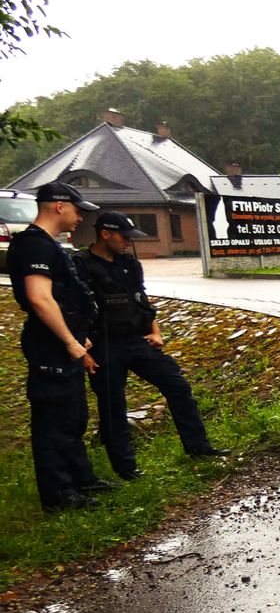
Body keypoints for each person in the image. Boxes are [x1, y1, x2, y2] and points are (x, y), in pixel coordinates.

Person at [73, 211, 229, 480]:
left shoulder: (130, 264)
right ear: (105, 234)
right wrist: (82, 350)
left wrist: (155, 331)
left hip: (136, 340)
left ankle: (198, 447)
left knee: (177, 385)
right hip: (102, 346)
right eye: (124, 237)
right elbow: (74, 309)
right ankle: (126, 469)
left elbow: (141, 301)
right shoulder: (80, 264)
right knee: (113, 406)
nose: (128, 243)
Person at [8, 181, 113, 512]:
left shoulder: (49, 246)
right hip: (50, 347)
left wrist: (78, 337)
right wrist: (69, 342)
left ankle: (81, 479)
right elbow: (40, 299)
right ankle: (59, 496)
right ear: (58, 206)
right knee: (54, 423)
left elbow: (63, 300)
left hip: (64, 345)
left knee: (73, 417)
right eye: (77, 210)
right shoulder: (34, 246)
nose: (80, 217)